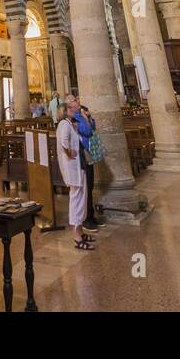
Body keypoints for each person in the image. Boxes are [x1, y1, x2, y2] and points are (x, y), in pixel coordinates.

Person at [56, 101, 93, 250]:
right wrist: (69, 152)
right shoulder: (64, 124)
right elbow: (64, 142)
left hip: (79, 165)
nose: (74, 109)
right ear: (66, 110)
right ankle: (77, 237)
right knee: (76, 200)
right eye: (71, 108)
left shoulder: (69, 124)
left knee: (81, 198)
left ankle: (80, 231)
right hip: (73, 167)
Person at [66, 93, 101, 230]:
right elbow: (86, 131)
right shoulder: (74, 118)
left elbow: (92, 128)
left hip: (88, 153)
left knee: (90, 186)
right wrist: (83, 117)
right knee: (85, 187)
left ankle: (91, 215)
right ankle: (86, 219)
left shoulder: (80, 115)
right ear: (70, 105)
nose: (78, 100)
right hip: (81, 156)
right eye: (75, 100)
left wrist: (89, 117)